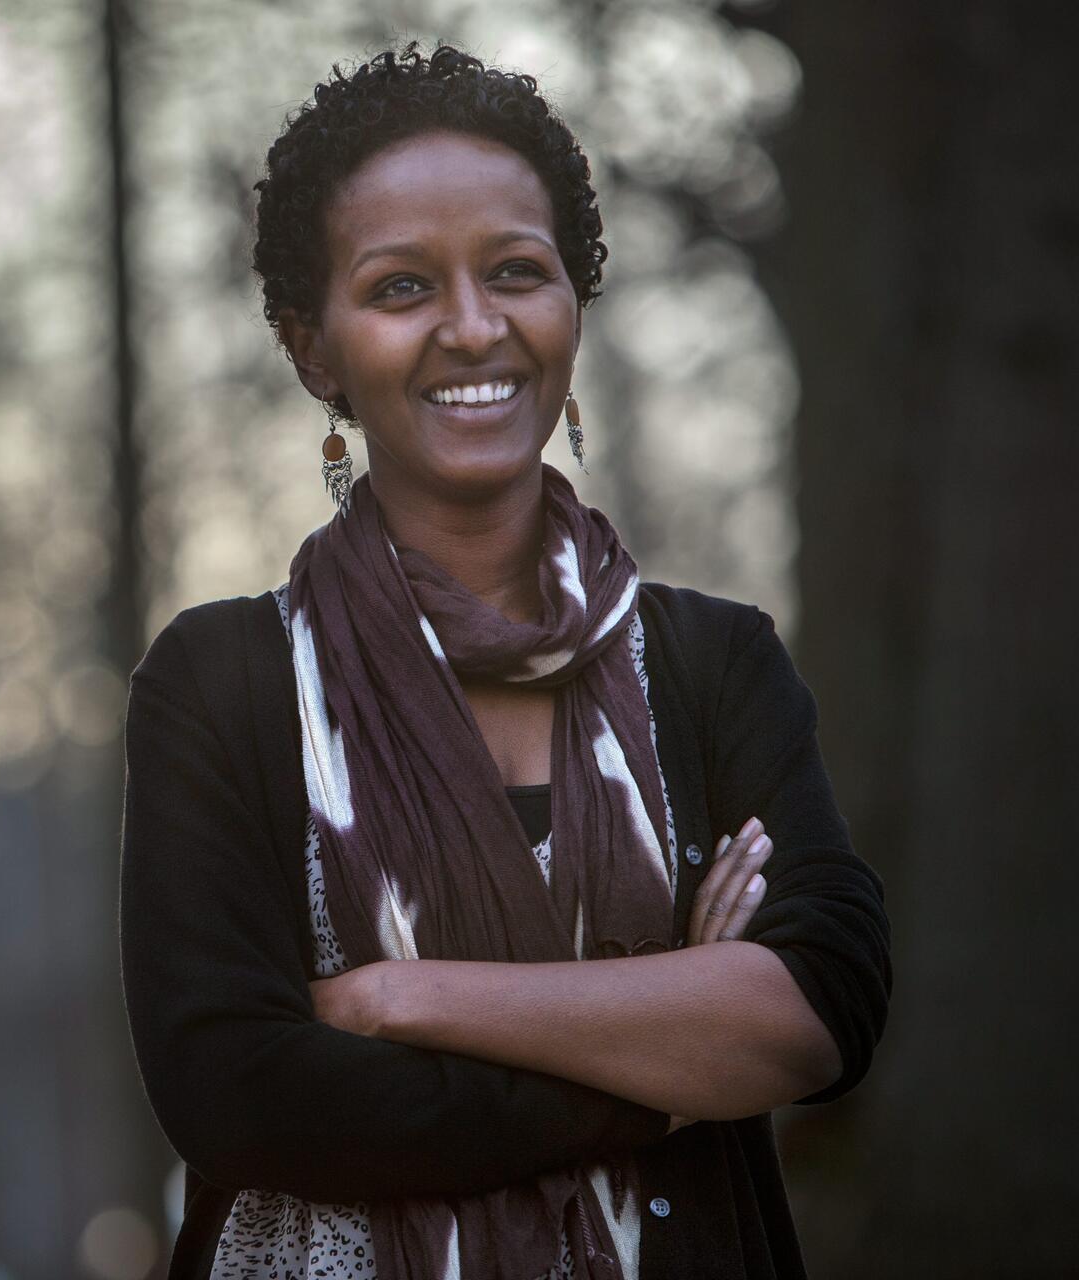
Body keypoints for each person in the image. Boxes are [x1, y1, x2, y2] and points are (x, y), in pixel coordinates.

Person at [119, 41, 891, 1280]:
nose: (472, 327)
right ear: (312, 346)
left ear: (570, 307)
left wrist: (399, 1001)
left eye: (516, 273)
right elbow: (241, 1093)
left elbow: (819, 1008)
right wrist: (666, 1055)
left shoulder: (711, 664)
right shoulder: (224, 682)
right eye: (400, 287)